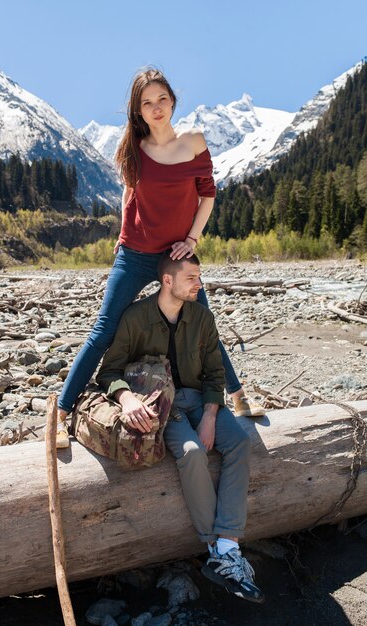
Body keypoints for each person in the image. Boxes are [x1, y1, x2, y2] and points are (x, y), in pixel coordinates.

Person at [55, 68, 262, 447]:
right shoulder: (134, 147)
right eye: (146, 102)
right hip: (134, 254)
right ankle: (60, 413)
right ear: (138, 110)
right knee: (103, 332)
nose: (156, 108)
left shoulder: (194, 142)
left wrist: (192, 240)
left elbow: (208, 195)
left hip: (175, 257)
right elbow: (128, 192)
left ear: (173, 100)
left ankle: (238, 397)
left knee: (204, 323)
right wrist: (121, 233)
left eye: (161, 99)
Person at [96, 250, 264, 603]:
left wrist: (210, 415)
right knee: (190, 453)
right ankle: (215, 550)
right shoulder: (136, 317)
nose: (199, 285)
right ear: (167, 280)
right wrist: (126, 399)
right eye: (192, 278)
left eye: (200, 277)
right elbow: (108, 372)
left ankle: (228, 544)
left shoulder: (202, 317)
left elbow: (215, 371)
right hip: (163, 406)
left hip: (201, 400)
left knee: (240, 444)